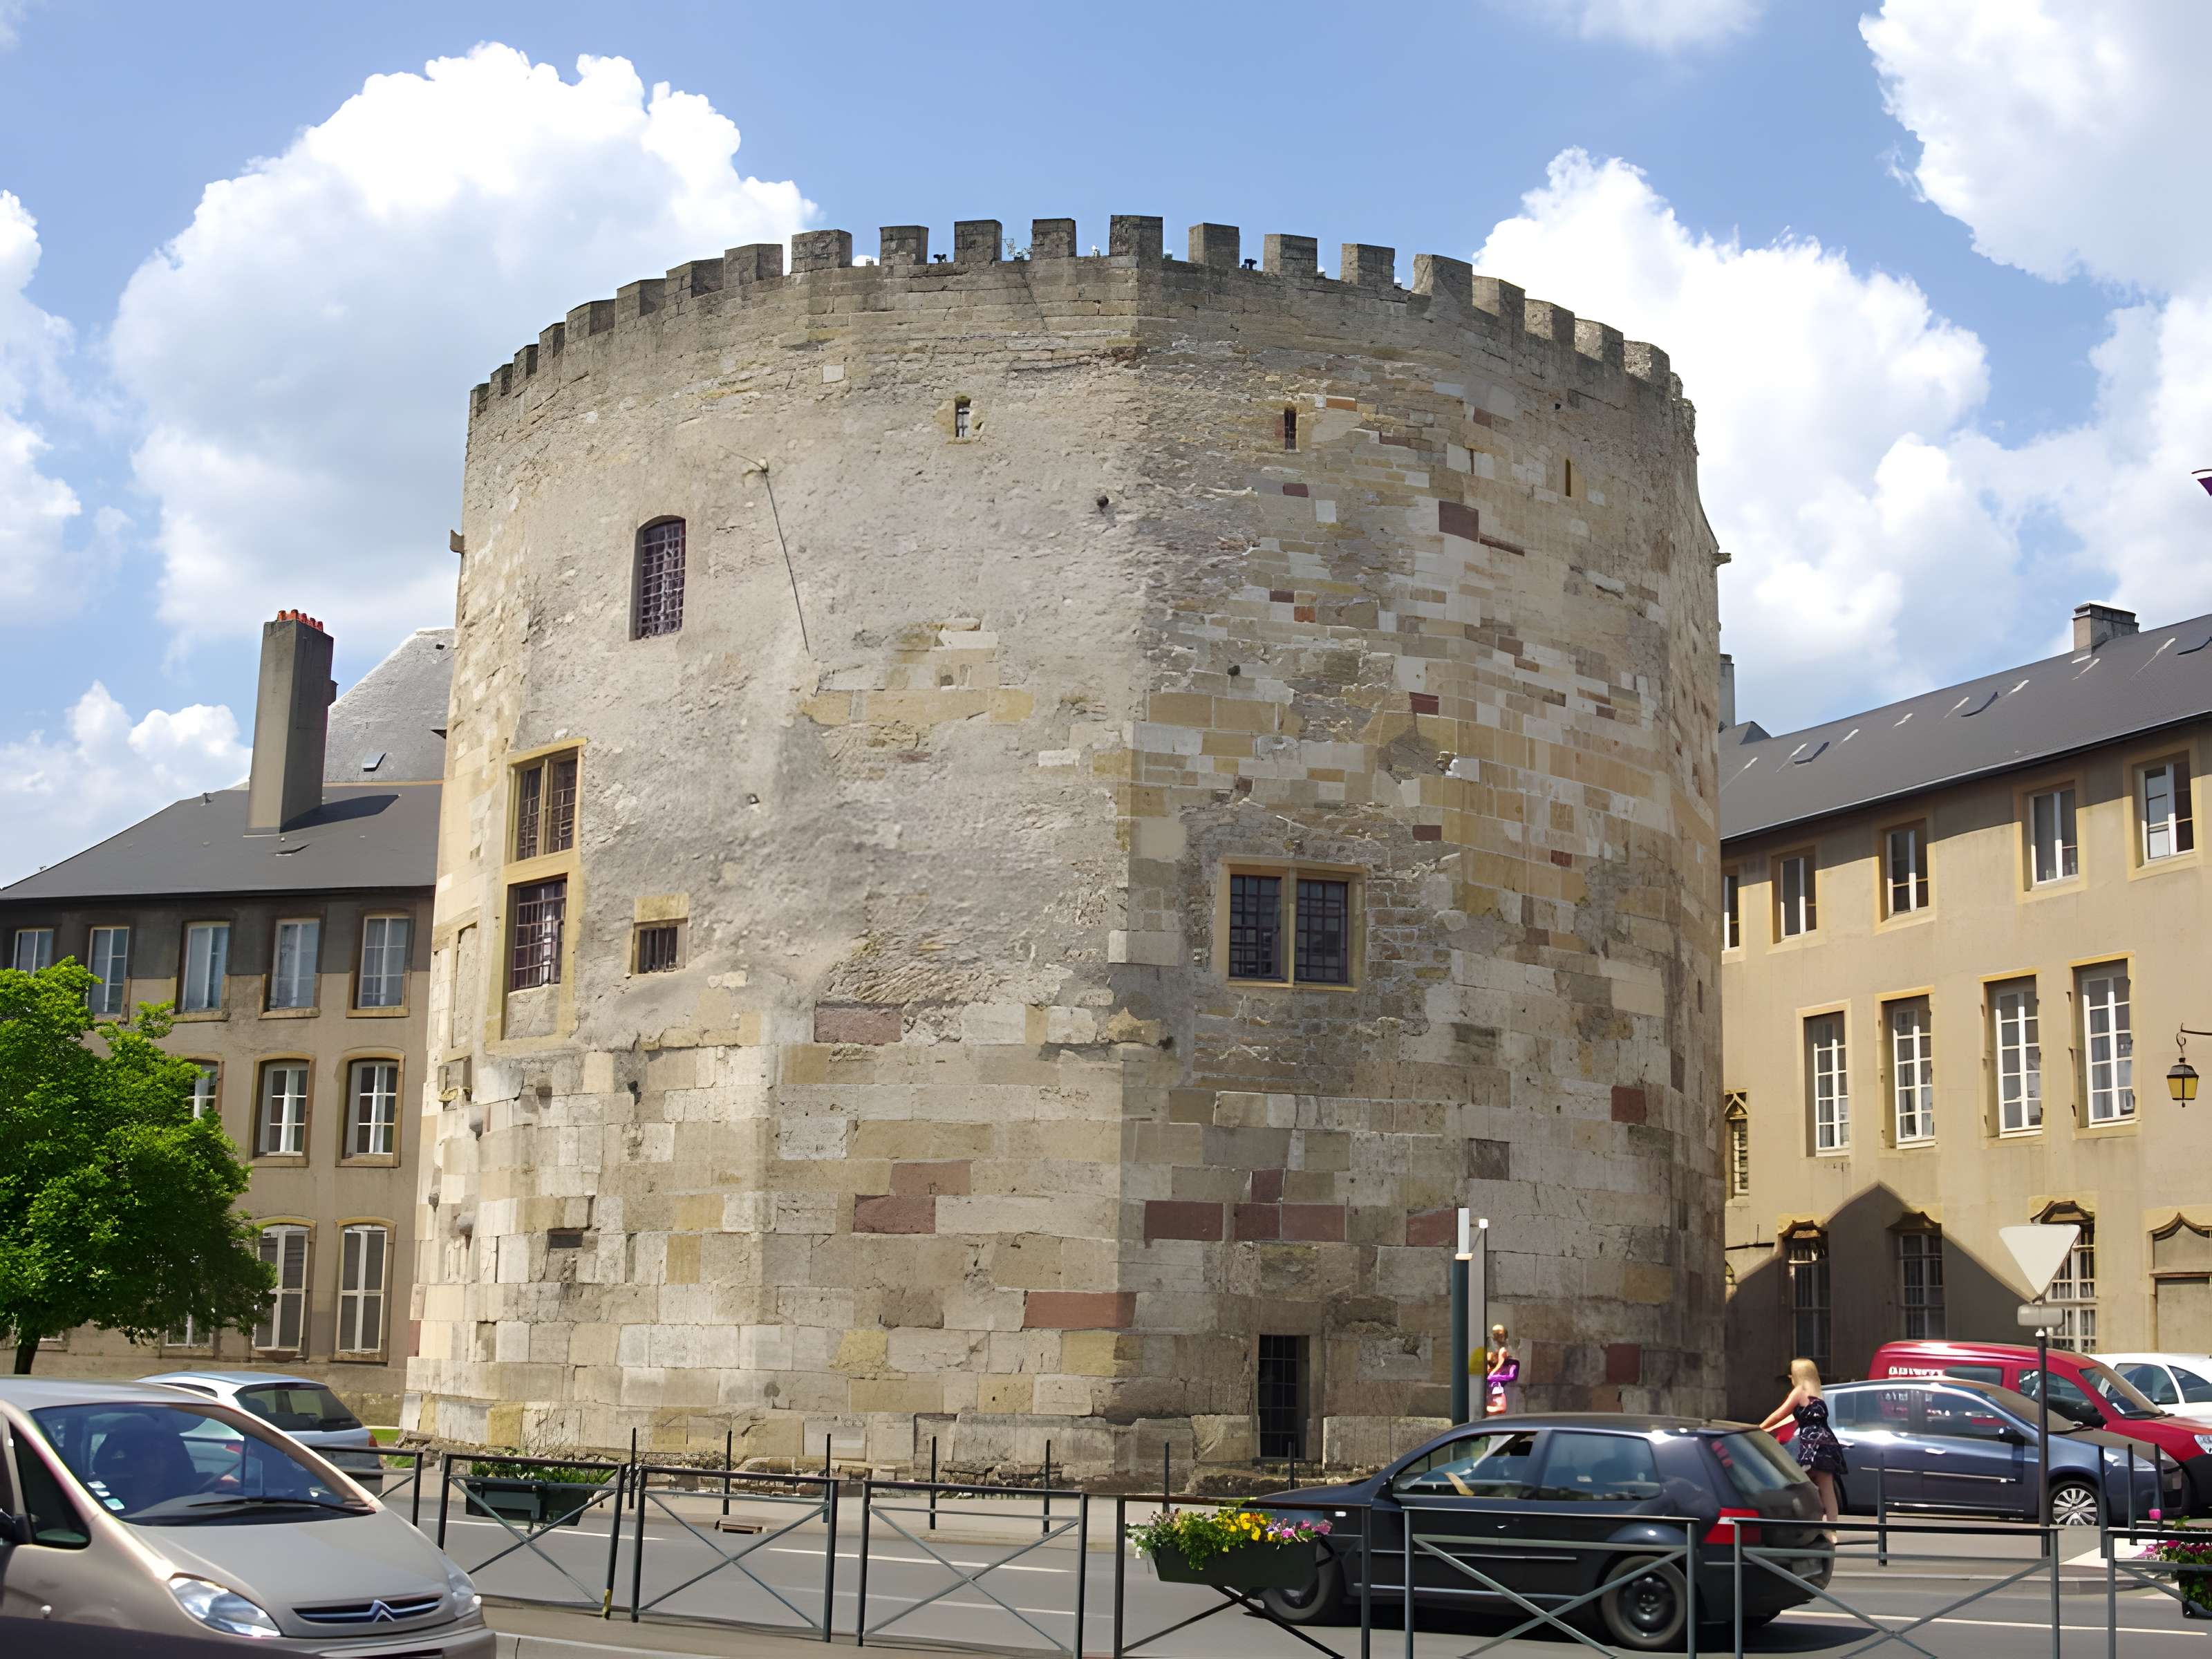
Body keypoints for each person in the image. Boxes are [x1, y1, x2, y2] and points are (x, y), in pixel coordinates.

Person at [1761, 1357, 1846, 1522]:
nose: (1790, 1378)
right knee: (1827, 1489)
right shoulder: (1818, 1393)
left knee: (1793, 1482)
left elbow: (1780, 1414)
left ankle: (1798, 1521)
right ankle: (1832, 1529)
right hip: (1827, 1443)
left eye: (1792, 1374)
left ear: (1798, 1375)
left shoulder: (1799, 1392)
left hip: (1810, 1445)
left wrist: (1760, 1427)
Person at [1481, 1324, 1522, 1416]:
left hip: (1508, 1390)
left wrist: (1501, 1362)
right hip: (1492, 1392)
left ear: (1505, 1335)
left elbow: (1511, 1374)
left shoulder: (1509, 1352)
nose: (1497, 1337)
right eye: (1495, 1334)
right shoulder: (1490, 1353)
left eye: (1500, 1334)